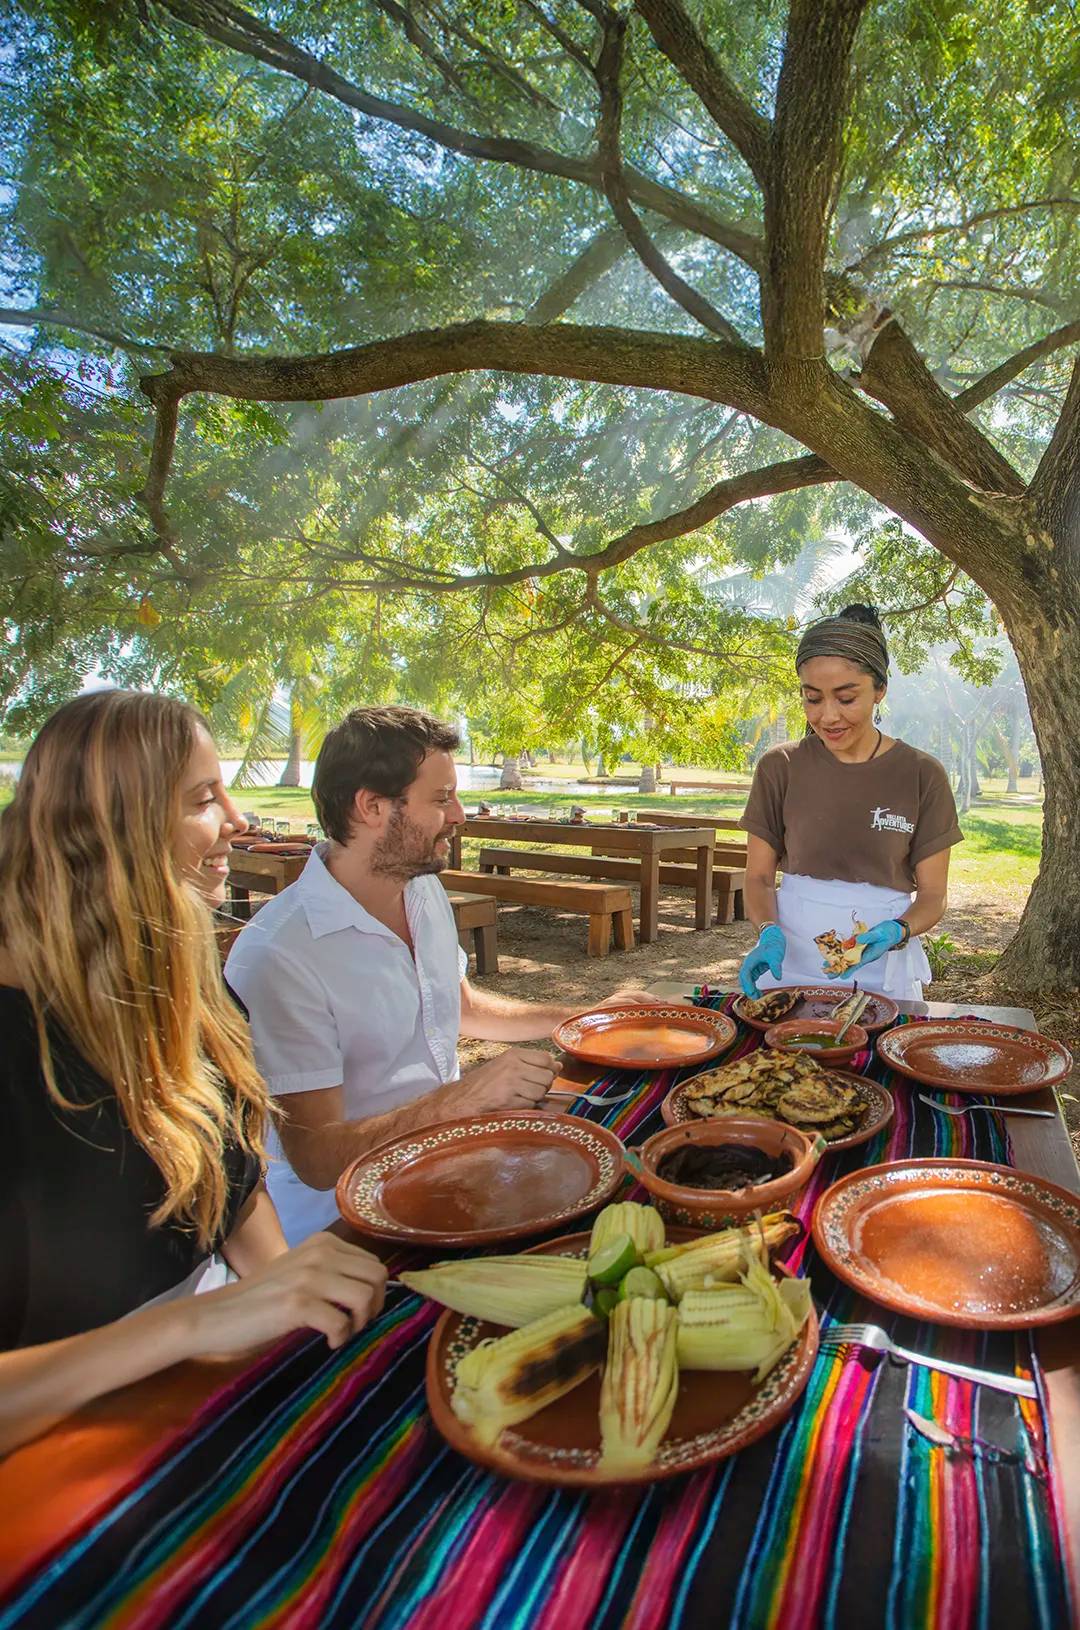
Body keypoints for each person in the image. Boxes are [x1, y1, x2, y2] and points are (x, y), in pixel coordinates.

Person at [0, 691, 386, 1456]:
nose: (238, 821)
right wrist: (189, 1325)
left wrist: (298, 1295)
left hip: (191, 1397)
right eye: (204, 798)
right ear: (114, 828)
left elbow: (233, 1191)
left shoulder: (189, 994)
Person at [227, 705, 655, 1245]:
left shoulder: (420, 887)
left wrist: (586, 1018)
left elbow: (462, 1006)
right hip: (342, 1226)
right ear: (372, 807)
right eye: (440, 798)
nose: (458, 814)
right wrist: (464, 1099)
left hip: (448, 1163)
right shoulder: (280, 955)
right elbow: (315, 1157)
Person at [738, 605, 963, 1002]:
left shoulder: (922, 775)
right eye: (812, 699)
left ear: (879, 689)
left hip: (882, 971)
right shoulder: (781, 766)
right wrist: (767, 932)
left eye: (846, 698)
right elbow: (758, 877)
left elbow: (932, 895)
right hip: (789, 965)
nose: (828, 717)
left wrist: (898, 930)